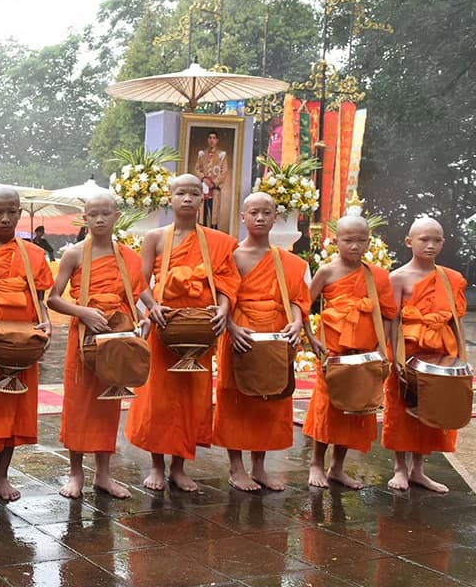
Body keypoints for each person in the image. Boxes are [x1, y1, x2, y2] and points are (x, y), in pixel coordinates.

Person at [127, 173, 239, 492]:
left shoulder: (218, 241)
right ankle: (156, 466)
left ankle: (179, 466)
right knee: (159, 398)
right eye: (181, 193)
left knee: (193, 397)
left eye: (193, 193)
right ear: (170, 199)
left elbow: (226, 282)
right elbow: (140, 281)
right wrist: (152, 307)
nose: (187, 198)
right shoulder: (156, 238)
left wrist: (222, 309)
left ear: (203, 198)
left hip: (200, 329)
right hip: (165, 327)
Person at [48, 192, 146, 499]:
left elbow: (132, 297)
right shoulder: (74, 254)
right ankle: (75, 473)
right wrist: (83, 312)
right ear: (85, 218)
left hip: (116, 337)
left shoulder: (129, 256)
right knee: (78, 405)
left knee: (108, 405)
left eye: (106, 213)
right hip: (84, 337)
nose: (100, 219)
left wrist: (142, 321)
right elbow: (52, 298)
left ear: (117, 216)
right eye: (93, 214)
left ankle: (104, 475)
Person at [212, 192, 310, 492]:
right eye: (254, 212)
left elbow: (295, 297)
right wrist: (230, 326)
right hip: (240, 336)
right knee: (236, 401)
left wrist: (296, 322)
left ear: (275, 217)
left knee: (269, 399)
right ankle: (236, 467)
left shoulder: (286, 261)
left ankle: (259, 466)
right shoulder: (231, 257)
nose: (260, 218)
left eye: (266, 212)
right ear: (243, 217)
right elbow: (221, 298)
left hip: (274, 335)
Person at [0, 186, 53, 501]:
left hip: (23, 343)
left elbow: (39, 298)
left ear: (20, 213)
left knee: (16, 410)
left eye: (12, 211)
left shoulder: (35, 254)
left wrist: (45, 324)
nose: (5, 218)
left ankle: (3, 474)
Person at [302, 214, 396, 489]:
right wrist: (311, 339)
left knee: (356, 407)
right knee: (327, 407)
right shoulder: (327, 272)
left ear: (369, 241)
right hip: (333, 352)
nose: (354, 246)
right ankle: (316, 463)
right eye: (348, 240)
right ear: (336, 241)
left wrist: (381, 346)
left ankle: (337, 467)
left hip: (365, 352)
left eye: (360, 240)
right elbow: (303, 306)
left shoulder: (377, 276)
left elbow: (389, 313)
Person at [383, 217, 466, 493]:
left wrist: (462, 356)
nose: (430, 245)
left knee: (432, 411)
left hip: (440, 353)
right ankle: (398, 468)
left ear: (443, 243)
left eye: (436, 240)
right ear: (409, 242)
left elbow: (455, 318)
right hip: (407, 351)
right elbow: (392, 318)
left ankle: (418, 470)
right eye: (424, 240)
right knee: (401, 409)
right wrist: (392, 355)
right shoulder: (398, 277)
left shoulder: (450, 278)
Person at [194, 130, 231, 229]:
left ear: (217, 140)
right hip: (204, 187)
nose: (212, 140)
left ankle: (214, 233)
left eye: (214, 138)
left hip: (215, 188)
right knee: (203, 212)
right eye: (210, 138)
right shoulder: (202, 154)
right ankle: (203, 231)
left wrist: (214, 183)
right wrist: (203, 178)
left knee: (214, 212)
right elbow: (197, 169)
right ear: (207, 139)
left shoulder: (221, 155)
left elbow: (224, 171)